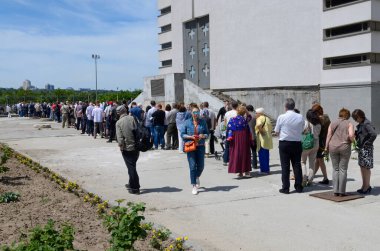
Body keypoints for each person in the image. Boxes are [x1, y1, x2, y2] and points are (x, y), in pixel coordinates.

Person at [274, 98, 305, 194]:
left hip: (285, 142)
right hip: (296, 142)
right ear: (294, 106)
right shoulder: (300, 117)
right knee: (297, 164)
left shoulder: (281, 117)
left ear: (286, 107)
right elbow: (303, 129)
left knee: (285, 166)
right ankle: (299, 186)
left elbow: (276, 131)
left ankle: (286, 188)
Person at [325, 108, 355, 197]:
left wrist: (326, 147)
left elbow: (328, 135)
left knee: (335, 169)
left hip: (333, 147)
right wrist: (353, 141)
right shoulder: (349, 123)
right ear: (347, 115)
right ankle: (341, 192)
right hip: (344, 147)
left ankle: (335, 191)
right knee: (343, 169)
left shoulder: (332, 123)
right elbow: (351, 135)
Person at [181, 105, 209, 195]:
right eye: (194, 112)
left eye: (197, 112)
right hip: (190, 146)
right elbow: (182, 134)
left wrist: (203, 135)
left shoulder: (203, 122)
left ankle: (196, 176)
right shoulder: (186, 122)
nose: (196, 114)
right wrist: (190, 137)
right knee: (192, 166)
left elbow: (207, 134)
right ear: (191, 113)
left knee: (201, 166)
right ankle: (194, 185)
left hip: (200, 146)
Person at [116, 105, 140, 194]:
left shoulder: (118, 123)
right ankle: (131, 183)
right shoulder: (132, 118)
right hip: (136, 147)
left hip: (127, 148)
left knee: (131, 168)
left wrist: (121, 147)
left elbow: (120, 138)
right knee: (132, 166)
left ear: (118, 113)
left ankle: (135, 188)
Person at [352, 109, 377, 194]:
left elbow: (373, 134)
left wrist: (367, 143)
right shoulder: (362, 123)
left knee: (366, 168)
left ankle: (367, 186)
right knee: (362, 167)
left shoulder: (366, 123)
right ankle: (364, 185)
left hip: (366, 149)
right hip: (362, 148)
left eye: (356, 118)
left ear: (360, 116)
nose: (355, 120)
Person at [227, 106, 252, 178]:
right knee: (245, 153)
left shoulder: (232, 119)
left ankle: (239, 172)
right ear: (244, 112)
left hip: (235, 137)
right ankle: (247, 171)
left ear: (237, 112)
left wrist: (228, 137)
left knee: (237, 153)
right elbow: (250, 116)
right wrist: (246, 110)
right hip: (244, 137)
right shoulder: (245, 119)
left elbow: (228, 129)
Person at [312, 104, 331, 185]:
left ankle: (325, 178)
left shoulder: (320, 119)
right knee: (317, 160)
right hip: (325, 141)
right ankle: (312, 176)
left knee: (320, 160)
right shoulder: (326, 117)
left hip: (320, 142)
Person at [301, 109, 321, 186]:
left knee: (303, 162)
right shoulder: (319, 124)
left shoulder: (306, 123)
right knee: (312, 163)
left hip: (307, 144)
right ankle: (310, 180)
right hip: (316, 144)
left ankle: (304, 179)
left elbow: (302, 132)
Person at [255, 108, 273, 174]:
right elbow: (271, 128)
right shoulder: (267, 118)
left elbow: (259, 125)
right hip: (268, 138)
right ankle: (266, 169)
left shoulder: (259, 118)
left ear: (259, 113)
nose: (255, 114)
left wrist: (261, 131)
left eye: (256, 113)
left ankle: (264, 170)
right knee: (266, 154)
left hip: (262, 139)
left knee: (262, 154)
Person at [223, 101, 238, 166]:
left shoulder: (227, 113)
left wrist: (225, 130)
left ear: (231, 106)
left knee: (227, 146)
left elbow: (225, 123)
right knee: (235, 146)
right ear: (237, 106)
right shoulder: (238, 113)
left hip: (228, 130)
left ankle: (225, 160)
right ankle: (234, 160)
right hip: (236, 131)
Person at [246, 105, 258, 169]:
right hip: (254, 135)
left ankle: (248, 165)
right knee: (254, 151)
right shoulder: (256, 116)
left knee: (247, 152)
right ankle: (255, 165)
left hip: (247, 136)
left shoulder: (246, 116)